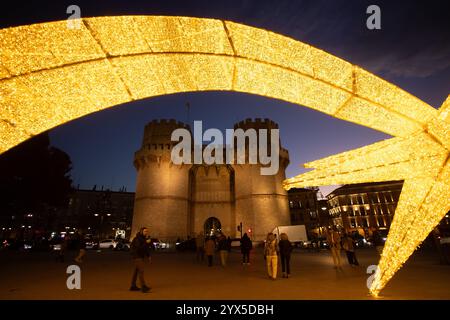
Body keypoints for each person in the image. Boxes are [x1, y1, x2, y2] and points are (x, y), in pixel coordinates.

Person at [130, 227, 151, 293]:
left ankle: (133, 286)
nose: (146, 232)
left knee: (136, 272)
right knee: (141, 271)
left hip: (140, 256)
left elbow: (146, 249)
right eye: (145, 231)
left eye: (147, 231)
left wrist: (148, 256)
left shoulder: (144, 238)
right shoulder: (137, 239)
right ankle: (143, 286)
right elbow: (139, 248)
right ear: (141, 231)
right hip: (137, 256)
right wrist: (146, 243)